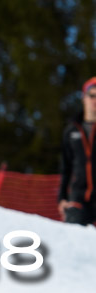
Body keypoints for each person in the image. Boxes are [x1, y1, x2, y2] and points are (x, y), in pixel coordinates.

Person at [58, 77, 96, 225]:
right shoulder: (71, 130)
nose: (95, 100)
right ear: (84, 98)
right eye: (92, 95)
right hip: (78, 197)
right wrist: (62, 198)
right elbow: (65, 168)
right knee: (72, 234)